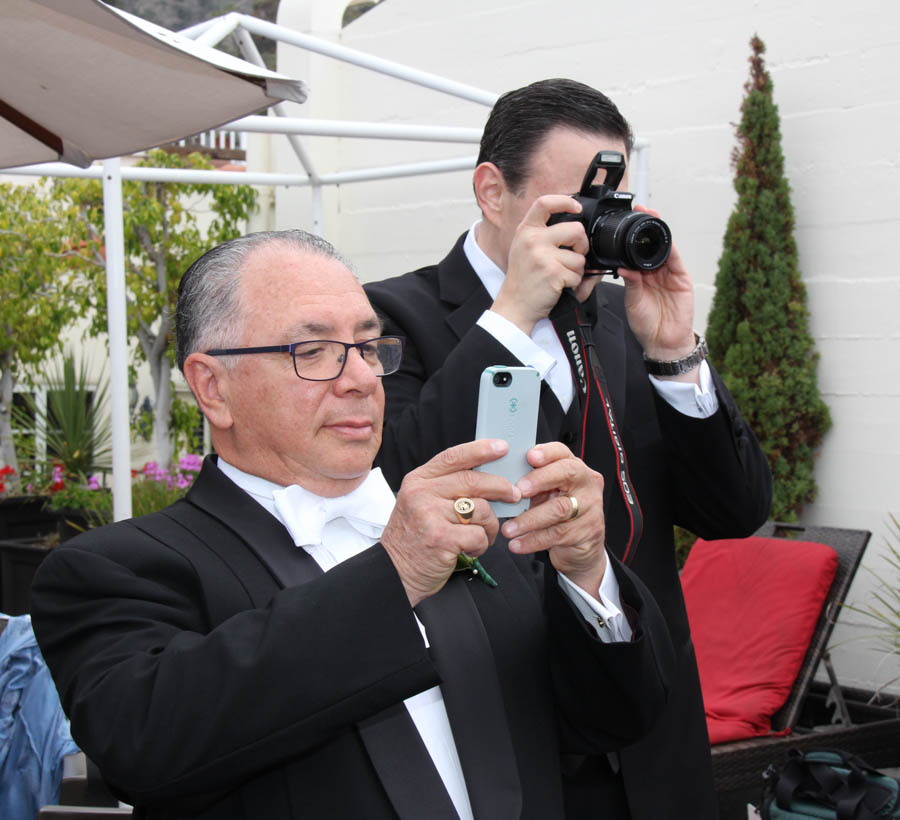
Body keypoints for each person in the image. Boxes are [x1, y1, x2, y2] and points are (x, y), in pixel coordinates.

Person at [30, 229, 674, 820]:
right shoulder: (118, 567)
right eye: (313, 352)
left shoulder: (475, 526)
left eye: (367, 347)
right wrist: (392, 579)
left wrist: (588, 577)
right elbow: (143, 745)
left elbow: (612, 720)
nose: (362, 379)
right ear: (212, 387)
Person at [365, 78, 773, 819]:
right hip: (512, 742)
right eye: (571, 207)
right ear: (493, 192)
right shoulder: (393, 315)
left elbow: (736, 511)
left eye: (608, 210)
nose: (592, 230)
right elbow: (399, 482)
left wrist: (678, 354)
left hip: (653, 736)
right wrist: (515, 317)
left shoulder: (626, 319)